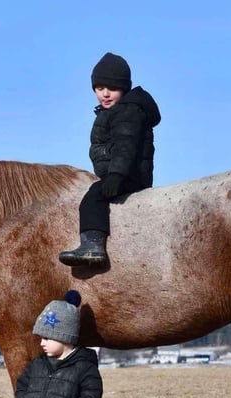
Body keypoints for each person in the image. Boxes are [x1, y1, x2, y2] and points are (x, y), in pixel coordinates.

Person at [59, 52, 161, 266]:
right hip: (120, 173)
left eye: (112, 89)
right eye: (99, 89)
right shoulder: (116, 111)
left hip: (128, 175)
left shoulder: (127, 111)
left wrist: (116, 174)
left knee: (93, 197)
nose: (105, 94)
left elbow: (126, 145)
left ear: (124, 88)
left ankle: (93, 246)